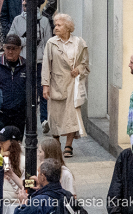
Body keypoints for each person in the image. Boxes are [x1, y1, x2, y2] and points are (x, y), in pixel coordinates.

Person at [40, 13, 88, 158]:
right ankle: (56, 143)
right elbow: (46, 65)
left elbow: (84, 63)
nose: (56, 28)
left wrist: (78, 70)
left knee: (71, 116)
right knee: (55, 116)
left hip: (72, 85)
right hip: (56, 83)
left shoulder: (79, 43)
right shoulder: (51, 43)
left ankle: (68, 145)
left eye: (59, 25)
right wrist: (45, 85)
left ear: (67, 27)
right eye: (55, 25)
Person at [0, 35, 27, 137]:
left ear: (20, 49)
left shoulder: (26, 65)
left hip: (19, 113)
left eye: (14, 49)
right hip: (1, 113)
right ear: (4, 48)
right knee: (2, 144)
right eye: (8, 48)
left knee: (17, 145)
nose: (10, 51)